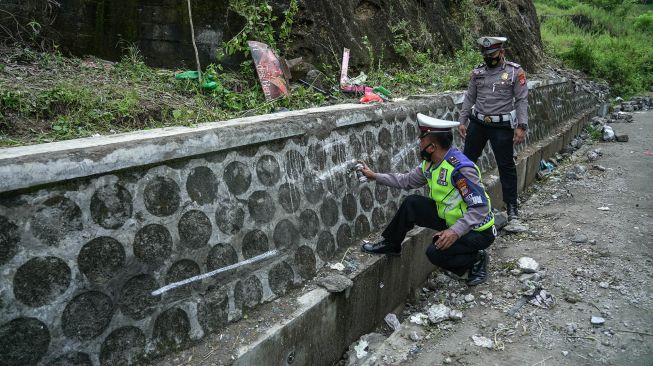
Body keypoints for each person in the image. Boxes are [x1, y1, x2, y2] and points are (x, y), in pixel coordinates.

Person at [358, 113, 496, 286]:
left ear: (431, 147)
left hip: (477, 230)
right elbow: (406, 180)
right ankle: (392, 244)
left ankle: (476, 259)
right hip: (451, 219)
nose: (419, 142)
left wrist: (454, 231)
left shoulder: (460, 169)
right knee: (412, 203)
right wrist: (374, 176)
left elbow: (480, 208)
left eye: (422, 139)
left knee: (435, 252)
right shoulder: (430, 164)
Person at [457, 36, 528, 220]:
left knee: (506, 166)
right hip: (478, 124)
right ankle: (464, 201)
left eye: (492, 54)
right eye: (485, 54)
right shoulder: (477, 73)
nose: (488, 57)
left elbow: (521, 100)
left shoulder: (515, 72)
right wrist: (462, 120)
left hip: (502, 126)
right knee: (466, 164)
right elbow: (469, 97)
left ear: (502, 52)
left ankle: (511, 206)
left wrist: (522, 126)